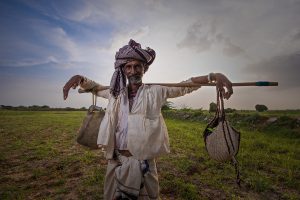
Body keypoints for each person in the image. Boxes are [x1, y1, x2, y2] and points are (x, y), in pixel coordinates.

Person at [63, 39, 233, 200]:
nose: (133, 71)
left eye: (137, 66)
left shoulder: (155, 91)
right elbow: (94, 87)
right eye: (128, 67)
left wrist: (213, 76)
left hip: (143, 163)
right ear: (123, 70)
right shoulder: (114, 93)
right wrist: (79, 78)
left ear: (144, 69)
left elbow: (185, 85)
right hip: (116, 161)